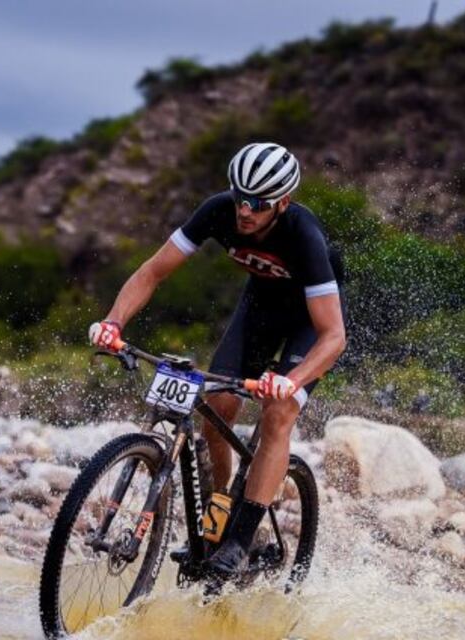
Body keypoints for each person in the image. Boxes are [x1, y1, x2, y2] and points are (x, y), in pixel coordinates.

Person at [89, 141, 346, 579]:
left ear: (282, 202)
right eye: (239, 197)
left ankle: (241, 542)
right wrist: (113, 323)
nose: (245, 211)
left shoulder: (304, 236)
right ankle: (219, 506)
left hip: (311, 322)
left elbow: (334, 336)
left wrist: (292, 378)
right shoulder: (218, 211)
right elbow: (153, 271)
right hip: (261, 309)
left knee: (278, 412)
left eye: (258, 203)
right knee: (217, 405)